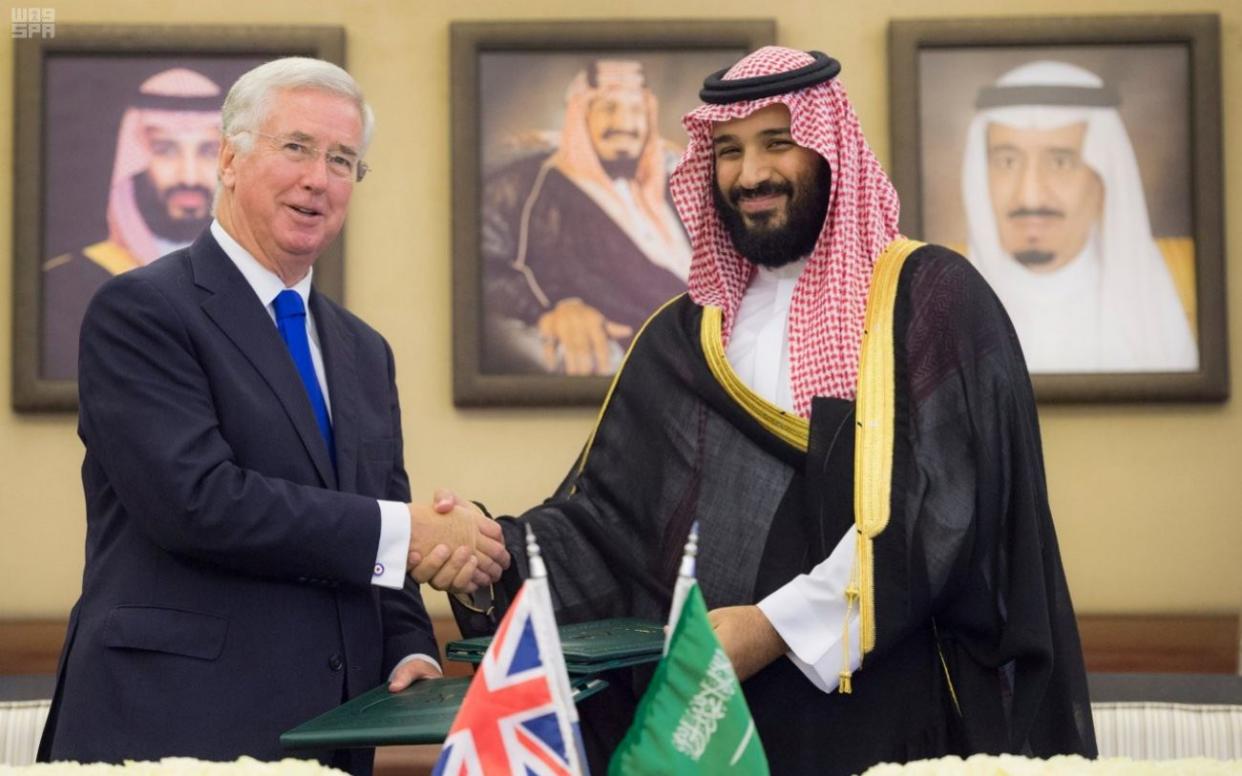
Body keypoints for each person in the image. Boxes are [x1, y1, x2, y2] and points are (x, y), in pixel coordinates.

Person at [437, 47, 1096, 774]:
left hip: (897, 722)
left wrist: (772, 628)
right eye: (727, 151)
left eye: (777, 143)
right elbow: (607, 528)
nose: (750, 174)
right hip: (721, 734)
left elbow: (944, 515)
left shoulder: (931, 300)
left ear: (830, 147)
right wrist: (490, 553)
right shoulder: (687, 332)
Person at [37, 57, 509, 774]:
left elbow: (376, 520)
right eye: (296, 148)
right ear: (229, 158)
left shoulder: (363, 350)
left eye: (343, 159)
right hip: (173, 728)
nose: (319, 178)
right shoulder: (140, 312)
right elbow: (197, 502)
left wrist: (408, 645)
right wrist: (411, 528)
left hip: (333, 732)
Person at [962, 60, 1197, 373]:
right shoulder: (941, 303)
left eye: (1060, 162)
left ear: (1103, 180)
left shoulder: (1175, 292)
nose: (1030, 195)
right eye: (1007, 162)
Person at [482, 59, 691, 376]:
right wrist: (556, 310)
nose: (625, 123)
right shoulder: (535, 186)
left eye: (637, 111)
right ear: (581, 116)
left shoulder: (674, 187)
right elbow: (482, 265)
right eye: (608, 108)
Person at [41, 67, 225, 381]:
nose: (189, 176)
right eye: (165, 150)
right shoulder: (67, 283)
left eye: (209, 151)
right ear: (133, 159)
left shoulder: (251, 285)